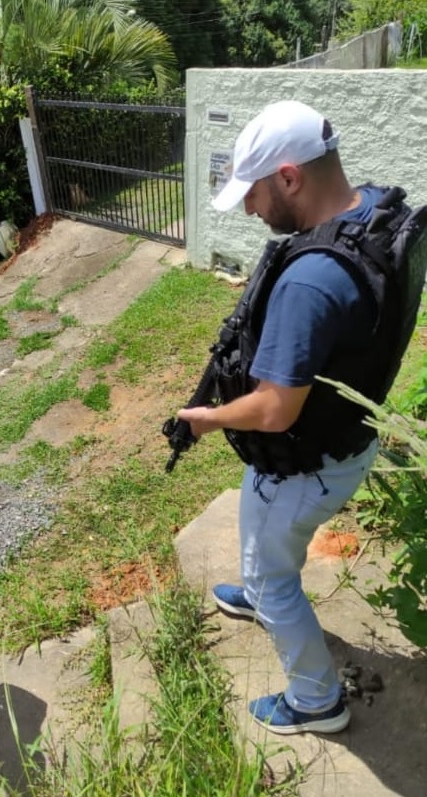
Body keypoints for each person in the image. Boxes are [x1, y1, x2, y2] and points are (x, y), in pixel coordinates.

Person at [177, 100, 412, 735]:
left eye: (252, 194)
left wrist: (208, 418)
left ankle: (316, 701)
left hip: (304, 465)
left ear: (288, 177)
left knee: (272, 573)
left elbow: (276, 410)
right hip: (347, 442)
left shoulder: (310, 281)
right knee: (266, 551)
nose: (251, 211)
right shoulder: (376, 218)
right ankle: (259, 595)